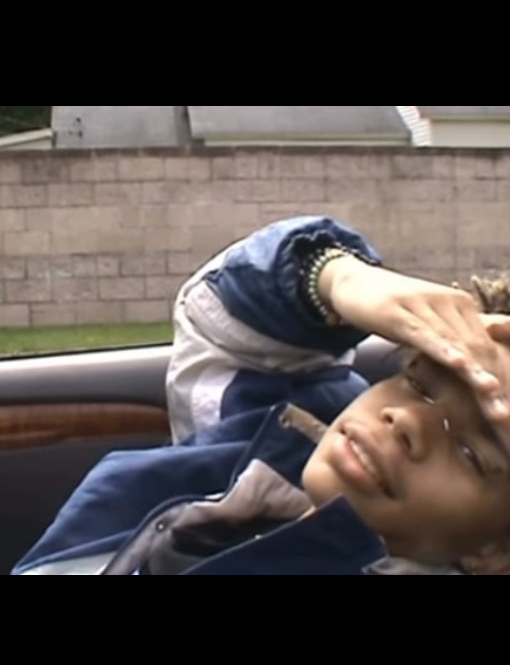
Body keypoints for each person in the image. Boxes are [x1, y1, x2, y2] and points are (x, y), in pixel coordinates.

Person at [12, 216, 510, 575]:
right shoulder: (275, 441)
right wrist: (340, 278)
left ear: (495, 553)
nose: (408, 421)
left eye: (472, 453)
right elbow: (217, 317)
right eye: (419, 384)